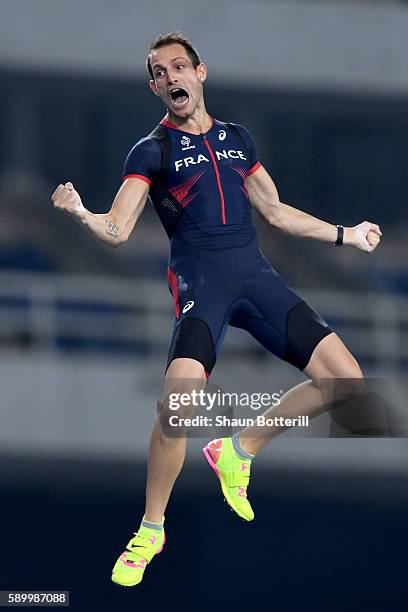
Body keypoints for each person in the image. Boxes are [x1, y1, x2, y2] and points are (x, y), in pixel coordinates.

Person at [51, 32, 382, 588]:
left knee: (347, 380)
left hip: (255, 277)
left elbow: (275, 212)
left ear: (200, 74)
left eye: (180, 66)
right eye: (160, 72)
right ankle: (151, 529)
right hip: (202, 284)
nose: (171, 77)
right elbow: (118, 228)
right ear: (155, 87)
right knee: (178, 406)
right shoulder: (150, 150)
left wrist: (346, 235)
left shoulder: (238, 139)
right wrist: (83, 213)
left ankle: (238, 450)